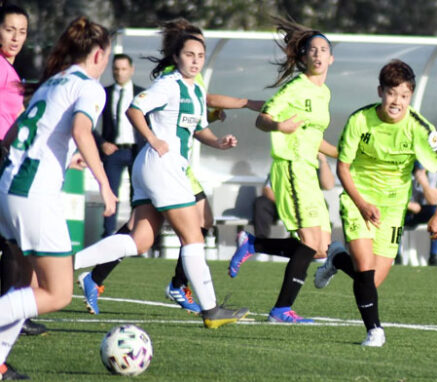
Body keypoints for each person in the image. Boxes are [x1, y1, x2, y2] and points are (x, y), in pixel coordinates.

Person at [77, 18, 264, 316]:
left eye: (200, 55)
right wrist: (152, 138)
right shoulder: (169, 83)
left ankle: (66, 264)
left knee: (141, 240)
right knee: (193, 237)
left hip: (159, 167)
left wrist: (218, 143)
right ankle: (211, 309)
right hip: (163, 166)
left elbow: (197, 128)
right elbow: (134, 109)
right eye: (190, 54)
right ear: (176, 56)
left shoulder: (194, 90)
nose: (196, 60)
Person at [0, 16, 116, 379]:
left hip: (9, 187)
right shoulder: (91, 87)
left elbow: (16, 133)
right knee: (58, 293)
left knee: (26, 285)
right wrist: (105, 183)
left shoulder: (54, 82)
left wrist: (63, 156)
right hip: (34, 196)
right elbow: (82, 129)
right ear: (99, 54)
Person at [314, 59, 437, 347]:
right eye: (391, 93)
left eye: (403, 96)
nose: (397, 101)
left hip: (392, 209)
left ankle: (337, 258)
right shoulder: (360, 120)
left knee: (370, 282)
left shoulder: (419, 127)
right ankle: (375, 331)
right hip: (358, 200)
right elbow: (343, 167)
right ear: (380, 91)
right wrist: (362, 204)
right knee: (364, 269)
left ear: (410, 97)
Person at [227, 17, 336, 324]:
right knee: (310, 243)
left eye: (323, 49)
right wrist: (278, 125)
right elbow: (262, 119)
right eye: (312, 49)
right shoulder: (295, 87)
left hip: (308, 171)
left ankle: (253, 243)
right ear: (303, 58)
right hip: (290, 168)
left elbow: (315, 138)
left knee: (321, 249)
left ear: (331, 57)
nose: (317, 54)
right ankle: (280, 310)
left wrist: (346, 154)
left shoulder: (324, 93)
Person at [0, 2, 49, 338]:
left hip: (8, 157)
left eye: (22, 31)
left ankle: (15, 309)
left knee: (14, 244)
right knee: (15, 244)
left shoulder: (11, 69)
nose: (16, 37)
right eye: (8, 30)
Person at [94, 53, 144, 238]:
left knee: (137, 195)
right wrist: (102, 143)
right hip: (113, 151)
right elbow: (87, 123)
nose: (120, 73)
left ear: (131, 70)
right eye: (116, 69)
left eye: (124, 69)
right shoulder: (103, 93)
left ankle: (136, 236)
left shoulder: (141, 93)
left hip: (135, 150)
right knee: (110, 194)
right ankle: (108, 237)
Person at [253, 153, 335, 238]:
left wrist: (323, 161)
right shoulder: (283, 162)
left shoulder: (314, 165)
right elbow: (267, 190)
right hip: (281, 204)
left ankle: (309, 241)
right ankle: (261, 242)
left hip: (306, 206)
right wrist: (286, 203)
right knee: (261, 203)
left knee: (322, 204)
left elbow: (328, 185)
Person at [395, 161, 437, 266]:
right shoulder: (402, 169)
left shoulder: (435, 173)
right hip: (403, 209)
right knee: (396, 214)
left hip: (422, 211)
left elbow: (435, 201)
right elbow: (392, 195)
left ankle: (433, 256)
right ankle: (396, 256)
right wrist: (409, 205)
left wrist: (424, 183)